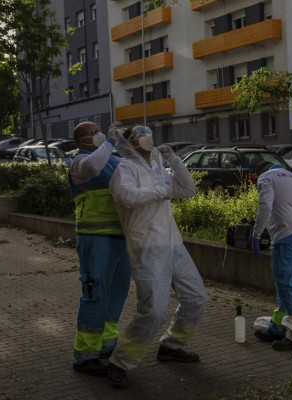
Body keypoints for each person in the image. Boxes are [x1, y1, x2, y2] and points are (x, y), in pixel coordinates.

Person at [106, 126, 208, 389]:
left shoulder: (159, 167)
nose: (147, 136)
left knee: (196, 298)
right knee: (154, 311)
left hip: (174, 245)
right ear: (130, 142)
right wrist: (160, 191)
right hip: (147, 247)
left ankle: (172, 345)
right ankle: (120, 361)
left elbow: (187, 190)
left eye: (148, 132)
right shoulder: (125, 168)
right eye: (140, 134)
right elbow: (126, 196)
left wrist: (174, 160)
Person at [69, 121, 131, 376]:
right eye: (92, 132)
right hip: (94, 239)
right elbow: (93, 166)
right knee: (95, 295)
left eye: (99, 131)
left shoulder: (113, 160)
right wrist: (110, 142)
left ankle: (106, 346)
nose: (98, 134)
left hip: (121, 238)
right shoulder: (79, 162)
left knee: (116, 295)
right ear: (80, 140)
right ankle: (84, 356)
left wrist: (129, 145)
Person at [251, 161, 292, 351]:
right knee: (285, 286)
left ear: (260, 172)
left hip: (287, 237)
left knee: (286, 285)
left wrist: (256, 234)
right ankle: (277, 327)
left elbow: (265, 206)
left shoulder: (266, 177)